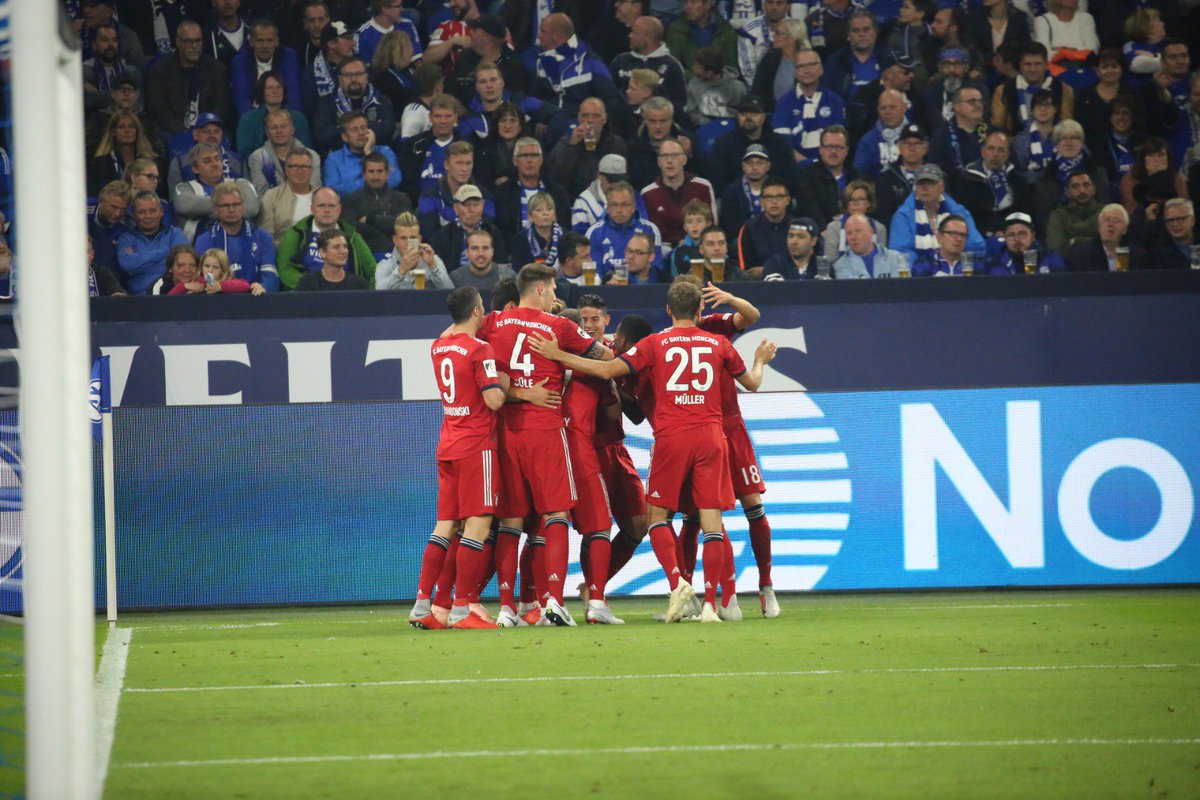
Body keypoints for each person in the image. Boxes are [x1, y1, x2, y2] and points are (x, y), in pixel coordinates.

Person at [528, 279, 775, 623]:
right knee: (711, 522)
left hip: (672, 437)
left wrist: (557, 355)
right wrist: (761, 360)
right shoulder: (718, 342)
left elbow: (606, 369)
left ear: (669, 310)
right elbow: (753, 383)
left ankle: (678, 585)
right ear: (702, 310)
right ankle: (711, 606)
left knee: (657, 517)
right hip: (712, 436)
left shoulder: (654, 344)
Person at [476, 263, 613, 627]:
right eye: (552, 290)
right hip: (546, 431)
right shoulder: (559, 327)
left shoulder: (492, 323)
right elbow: (607, 358)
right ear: (539, 290)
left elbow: (455, 338)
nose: (556, 297)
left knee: (510, 521)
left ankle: (506, 608)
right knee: (556, 515)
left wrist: (517, 392)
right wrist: (559, 356)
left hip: (505, 432)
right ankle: (553, 600)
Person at [408, 286, 506, 630]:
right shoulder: (480, 349)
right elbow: (494, 400)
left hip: (447, 443)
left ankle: (423, 605)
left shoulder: (439, 346)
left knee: (445, 525)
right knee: (477, 526)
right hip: (476, 445)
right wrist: (507, 384)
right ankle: (462, 610)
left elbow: (448, 331)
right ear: (478, 311)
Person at [145, 21, 232, 140]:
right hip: (173, 131)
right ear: (178, 42)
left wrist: (205, 129)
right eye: (189, 41)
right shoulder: (160, 70)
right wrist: (183, 131)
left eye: (198, 41)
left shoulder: (217, 69)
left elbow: (221, 105)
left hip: (208, 129)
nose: (194, 46)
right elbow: (159, 108)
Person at [277, 186, 376, 288]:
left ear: (339, 209)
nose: (327, 210)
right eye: (321, 205)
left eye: (331, 206)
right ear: (312, 209)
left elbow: (373, 271)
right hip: (308, 295)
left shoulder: (352, 235)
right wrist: (309, 287)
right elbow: (285, 269)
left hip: (346, 294)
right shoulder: (296, 233)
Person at [889, 163, 986, 265]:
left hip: (957, 272)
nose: (925, 188)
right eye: (921, 183)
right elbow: (901, 254)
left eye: (931, 183)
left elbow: (977, 247)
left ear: (942, 186)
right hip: (920, 276)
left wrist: (954, 263)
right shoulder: (903, 216)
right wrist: (925, 268)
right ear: (915, 187)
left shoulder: (960, 213)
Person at [193, 182, 280, 293]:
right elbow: (202, 274)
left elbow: (270, 276)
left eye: (236, 204)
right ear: (215, 210)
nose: (231, 210)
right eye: (225, 205)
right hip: (217, 300)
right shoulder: (204, 240)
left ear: (243, 207)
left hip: (255, 299)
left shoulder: (263, 238)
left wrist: (263, 287)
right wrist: (212, 286)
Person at [531, 13, 620, 115]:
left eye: (543, 31)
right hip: (551, 124)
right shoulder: (540, 61)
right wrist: (540, 118)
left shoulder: (591, 62)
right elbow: (536, 97)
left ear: (556, 36)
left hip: (579, 124)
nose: (539, 36)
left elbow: (611, 100)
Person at [173, 142, 260, 242]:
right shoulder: (185, 188)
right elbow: (184, 206)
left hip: (240, 242)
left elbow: (252, 208)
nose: (214, 164)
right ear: (195, 168)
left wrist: (203, 211)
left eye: (217, 159)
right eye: (207, 161)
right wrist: (230, 207)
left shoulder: (241, 183)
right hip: (198, 246)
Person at [1032, 120, 1110, 230]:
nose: (1069, 143)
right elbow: (1043, 215)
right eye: (1063, 138)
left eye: (1074, 137)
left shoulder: (1098, 173)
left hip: (1093, 230)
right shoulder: (1045, 177)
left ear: (1082, 143)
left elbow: (1104, 208)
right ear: (1056, 144)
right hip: (1058, 232)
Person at [639, 138, 718, 249]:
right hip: (663, 250)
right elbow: (650, 234)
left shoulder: (703, 187)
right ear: (658, 162)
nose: (669, 161)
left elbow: (712, 227)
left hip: (699, 247)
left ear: (684, 159)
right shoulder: (648, 194)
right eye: (664, 156)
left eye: (675, 155)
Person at [951, 128, 1030, 237]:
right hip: (977, 236)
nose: (995, 154)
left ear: (1008, 155)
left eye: (1001, 150)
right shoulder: (966, 179)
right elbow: (963, 215)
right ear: (983, 151)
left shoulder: (1018, 181)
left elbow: (1024, 215)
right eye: (991, 148)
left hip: (1011, 236)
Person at [546, 98, 629, 202]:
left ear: (604, 119)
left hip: (609, 202)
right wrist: (572, 146)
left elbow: (623, 181)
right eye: (585, 115)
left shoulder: (616, 144)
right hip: (575, 202)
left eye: (596, 116)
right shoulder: (565, 143)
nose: (590, 120)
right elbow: (557, 182)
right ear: (579, 118)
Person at [773, 49, 847, 164]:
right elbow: (783, 146)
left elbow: (838, 143)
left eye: (812, 65)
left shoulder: (835, 101)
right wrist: (809, 165)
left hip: (829, 168)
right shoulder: (783, 103)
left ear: (821, 69)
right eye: (801, 66)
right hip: (796, 169)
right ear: (795, 72)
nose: (806, 70)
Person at [312, 56, 396, 154]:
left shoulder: (381, 100)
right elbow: (323, 135)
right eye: (348, 75)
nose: (353, 79)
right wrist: (369, 129)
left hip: (377, 156)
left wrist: (346, 131)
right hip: (339, 158)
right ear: (339, 78)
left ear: (367, 77)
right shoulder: (327, 102)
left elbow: (388, 131)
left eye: (359, 74)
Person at [584, 181, 664, 283]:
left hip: (643, 288)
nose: (619, 210)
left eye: (624, 205)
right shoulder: (594, 233)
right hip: (607, 289)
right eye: (614, 205)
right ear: (607, 207)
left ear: (634, 207)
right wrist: (607, 281)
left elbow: (656, 267)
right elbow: (594, 270)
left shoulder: (649, 229)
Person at [493, 137, 571, 241]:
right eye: (524, 155)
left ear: (541, 160)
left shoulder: (557, 192)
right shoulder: (503, 193)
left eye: (534, 155)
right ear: (515, 161)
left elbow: (565, 227)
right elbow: (502, 230)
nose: (529, 160)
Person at [711, 95, 797, 188]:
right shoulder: (724, 144)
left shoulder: (780, 143)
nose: (748, 117)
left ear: (763, 117)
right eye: (743, 113)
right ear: (737, 117)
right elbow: (719, 182)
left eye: (754, 113)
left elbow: (790, 178)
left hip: (773, 198)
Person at [447, 13, 530, 108]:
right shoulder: (466, 57)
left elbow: (514, 104)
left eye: (474, 30)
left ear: (486, 38)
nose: (470, 33)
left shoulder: (514, 67)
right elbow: (450, 87)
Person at [116, 190, 190, 294]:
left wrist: (138, 260)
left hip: (172, 294)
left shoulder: (175, 234)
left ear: (161, 212)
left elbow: (182, 264)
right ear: (133, 215)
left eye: (153, 211)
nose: (148, 216)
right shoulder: (125, 239)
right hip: (139, 299)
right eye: (141, 212)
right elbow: (127, 264)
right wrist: (166, 252)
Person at [990, 42, 1073, 134]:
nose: (1032, 69)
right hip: (1015, 143)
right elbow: (997, 127)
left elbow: (1066, 126)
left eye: (1037, 64)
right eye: (1027, 64)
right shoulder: (1003, 90)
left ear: (1046, 64)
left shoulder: (1063, 89)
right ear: (1020, 65)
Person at [610, 15, 688, 112]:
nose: (629, 35)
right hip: (622, 121)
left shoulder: (671, 65)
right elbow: (609, 95)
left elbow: (680, 102)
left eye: (635, 33)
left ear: (649, 37)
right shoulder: (620, 61)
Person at [341, 152, 412, 254]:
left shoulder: (402, 198)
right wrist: (385, 229)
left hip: (397, 255)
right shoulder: (351, 200)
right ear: (364, 175)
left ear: (387, 174)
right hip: (363, 255)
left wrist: (371, 220)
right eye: (371, 171)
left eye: (380, 171)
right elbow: (349, 228)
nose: (375, 177)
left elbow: (406, 226)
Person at [231, 20, 302, 120]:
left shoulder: (288, 56)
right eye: (260, 40)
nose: (265, 46)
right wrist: (255, 122)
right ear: (251, 42)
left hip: (282, 117)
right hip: (252, 118)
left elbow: (292, 94)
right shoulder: (240, 60)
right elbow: (241, 98)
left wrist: (283, 120)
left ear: (277, 41)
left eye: (269, 40)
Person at [428, 185, 509, 273]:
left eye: (476, 204)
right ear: (456, 208)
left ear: (482, 206)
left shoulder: (494, 233)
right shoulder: (442, 236)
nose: (472, 210)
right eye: (466, 205)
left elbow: (501, 269)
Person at [322, 111, 402, 196]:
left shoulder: (385, 151)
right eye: (354, 130)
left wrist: (369, 153)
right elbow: (331, 191)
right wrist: (373, 181)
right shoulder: (334, 159)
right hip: (349, 207)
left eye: (363, 128)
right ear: (344, 137)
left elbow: (394, 181)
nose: (361, 133)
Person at [237, 75, 314, 162]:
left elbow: (306, 150)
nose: (275, 91)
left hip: (296, 167)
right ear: (262, 92)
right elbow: (245, 154)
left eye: (279, 87)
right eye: (270, 88)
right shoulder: (248, 120)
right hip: (260, 167)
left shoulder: (298, 119)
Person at [246, 109, 321, 197]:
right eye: (274, 127)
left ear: (292, 130)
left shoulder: (311, 156)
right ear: (267, 133)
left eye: (283, 126)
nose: (279, 131)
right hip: (272, 208)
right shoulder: (258, 158)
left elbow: (314, 189)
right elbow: (262, 194)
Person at [165, 113, 244, 196]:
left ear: (221, 134)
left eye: (216, 131)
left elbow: (246, 194)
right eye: (206, 131)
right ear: (195, 135)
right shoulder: (179, 162)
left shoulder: (237, 161)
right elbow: (176, 198)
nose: (212, 135)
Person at [919, 46, 989, 135]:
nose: (952, 70)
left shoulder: (978, 91)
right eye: (946, 64)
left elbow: (983, 121)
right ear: (940, 67)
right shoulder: (930, 92)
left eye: (957, 64)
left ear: (966, 67)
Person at [88, 111, 160, 197]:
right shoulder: (99, 164)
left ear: (136, 131)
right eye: (121, 127)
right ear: (113, 132)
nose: (127, 131)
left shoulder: (150, 163)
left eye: (131, 127)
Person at [375, 211, 453, 290]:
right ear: (395, 240)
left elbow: (449, 291)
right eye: (403, 238)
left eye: (412, 238)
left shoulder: (433, 260)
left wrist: (432, 265)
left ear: (419, 239)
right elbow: (379, 295)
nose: (408, 243)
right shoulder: (385, 266)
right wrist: (401, 270)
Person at [258, 146, 320, 245]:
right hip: (283, 253)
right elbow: (266, 238)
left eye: (304, 167)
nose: (300, 171)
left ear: (311, 171)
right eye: (294, 167)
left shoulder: (323, 196)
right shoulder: (271, 196)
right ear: (286, 170)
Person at [749, 18, 810, 116]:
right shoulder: (770, 58)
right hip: (772, 113)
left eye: (778, 33)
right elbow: (757, 90)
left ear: (791, 39)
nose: (773, 37)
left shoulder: (809, 61)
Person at [665, 0, 737, 80]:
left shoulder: (725, 29)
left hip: (721, 85)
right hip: (688, 85)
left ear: (707, 5)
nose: (687, 7)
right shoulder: (675, 30)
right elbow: (674, 65)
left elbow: (732, 65)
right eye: (685, 2)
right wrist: (697, 81)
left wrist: (717, 80)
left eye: (693, 2)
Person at [1066, 203, 1149, 272]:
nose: (1111, 224)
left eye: (1116, 220)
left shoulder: (1137, 256)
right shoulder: (1081, 255)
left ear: (1125, 229)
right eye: (1106, 220)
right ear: (1099, 226)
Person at [735, 176, 791, 277]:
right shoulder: (749, 228)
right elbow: (748, 270)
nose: (774, 202)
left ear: (787, 200)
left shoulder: (796, 226)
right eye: (769, 197)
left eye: (779, 197)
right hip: (758, 285)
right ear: (761, 201)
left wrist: (768, 270)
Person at [875, 122, 929, 225]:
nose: (912, 148)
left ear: (926, 147)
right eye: (907, 143)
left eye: (917, 143)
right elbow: (883, 215)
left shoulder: (937, 178)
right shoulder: (886, 178)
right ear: (899, 146)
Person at [301, 18, 357, 117]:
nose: (354, 43)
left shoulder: (361, 67)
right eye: (348, 39)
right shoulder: (310, 74)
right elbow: (310, 111)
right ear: (332, 44)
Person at [928, 85, 988, 175]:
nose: (978, 105)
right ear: (956, 106)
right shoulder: (941, 136)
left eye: (980, 101)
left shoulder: (993, 134)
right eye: (972, 101)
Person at [821, 179, 887, 260]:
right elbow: (830, 260)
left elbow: (882, 260)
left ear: (869, 203)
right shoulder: (834, 227)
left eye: (860, 199)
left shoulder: (879, 229)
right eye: (851, 200)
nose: (855, 203)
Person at [1119, 137, 1187, 215]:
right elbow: (1131, 210)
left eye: (1161, 155)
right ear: (1143, 159)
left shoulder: (1178, 179)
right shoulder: (1130, 179)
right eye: (1151, 155)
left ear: (1168, 159)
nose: (1156, 160)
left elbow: (1184, 208)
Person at [852, 88, 910, 179]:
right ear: (878, 110)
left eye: (893, 107)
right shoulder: (868, 140)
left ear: (904, 107)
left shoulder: (916, 137)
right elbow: (859, 174)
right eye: (883, 108)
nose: (888, 112)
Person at [719, 144, 771, 243]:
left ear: (768, 166)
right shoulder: (732, 192)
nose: (755, 167)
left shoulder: (777, 190)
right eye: (749, 163)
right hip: (742, 242)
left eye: (760, 163)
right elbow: (729, 228)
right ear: (743, 166)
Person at [985, 211, 1066, 274]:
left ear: (1032, 236)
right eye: (1011, 235)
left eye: (1022, 234)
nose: (1017, 239)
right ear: (1005, 238)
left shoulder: (1051, 259)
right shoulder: (995, 263)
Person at [833, 212, 909, 278]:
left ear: (871, 232)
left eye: (858, 231)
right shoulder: (841, 265)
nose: (853, 237)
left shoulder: (896, 259)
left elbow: (902, 288)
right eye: (849, 233)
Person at [735, 0, 792, 86]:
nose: (774, 7)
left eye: (779, 3)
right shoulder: (749, 31)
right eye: (770, 2)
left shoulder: (797, 29)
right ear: (764, 5)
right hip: (759, 86)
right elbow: (748, 70)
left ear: (788, 7)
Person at [1046, 169, 1102, 253]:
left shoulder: (1105, 212)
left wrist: (1074, 241)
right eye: (1075, 186)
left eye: (1086, 185)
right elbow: (1055, 249)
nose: (1082, 191)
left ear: (1094, 189)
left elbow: (1110, 244)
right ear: (1067, 192)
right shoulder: (1058, 216)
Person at [295, 228, 371, 290]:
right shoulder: (307, 284)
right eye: (336, 247)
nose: (343, 251)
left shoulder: (359, 285)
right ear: (322, 252)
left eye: (345, 246)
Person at [354, 0, 424, 66]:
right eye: (398, 6)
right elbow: (366, 69)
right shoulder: (362, 35)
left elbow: (417, 59)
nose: (402, 9)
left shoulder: (407, 25)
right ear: (385, 9)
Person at [369, 31, 418, 115]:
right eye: (409, 46)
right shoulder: (383, 77)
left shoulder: (407, 72)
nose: (412, 50)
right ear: (398, 50)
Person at [1151, 198, 1196, 271]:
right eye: (1170, 220)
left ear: (1192, 220)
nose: (1175, 224)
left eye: (1180, 219)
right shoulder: (1158, 255)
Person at [183, 248, 253, 294]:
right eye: (207, 266)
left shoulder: (228, 283)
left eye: (215, 267)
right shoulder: (195, 282)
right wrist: (184, 286)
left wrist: (220, 287)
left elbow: (245, 286)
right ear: (201, 267)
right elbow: (172, 297)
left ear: (223, 270)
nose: (210, 270)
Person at [203, 0, 248, 66]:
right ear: (213, 2)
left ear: (238, 2)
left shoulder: (253, 30)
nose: (227, 2)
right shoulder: (206, 37)